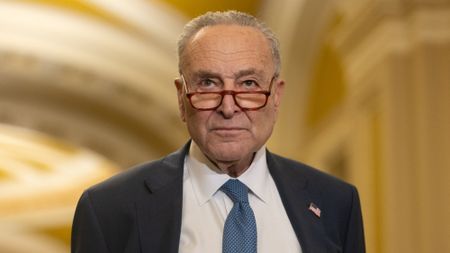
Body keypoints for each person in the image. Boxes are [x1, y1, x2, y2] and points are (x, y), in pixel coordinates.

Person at [71, 10, 365, 253]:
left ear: (276, 95)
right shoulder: (108, 210)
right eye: (208, 83)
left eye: (248, 83)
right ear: (181, 97)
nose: (228, 107)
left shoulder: (335, 203)